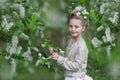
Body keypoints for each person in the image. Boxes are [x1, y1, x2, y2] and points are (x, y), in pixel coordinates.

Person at [50, 6, 93, 80]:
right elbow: (70, 58)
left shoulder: (81, 46)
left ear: (83, 28)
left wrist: (59, 59)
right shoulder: (72, 41)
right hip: (70, 77)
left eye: (76, 27)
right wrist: (57, 54)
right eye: (71, 26)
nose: (73, 29)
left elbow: (76, 66)